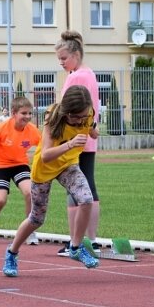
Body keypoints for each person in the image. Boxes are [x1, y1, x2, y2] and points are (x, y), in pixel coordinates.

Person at [2, 85, 100, 277]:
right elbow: (46, 155)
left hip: (68, 165)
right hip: (45, 169)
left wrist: (93, 131)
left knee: (87, 200)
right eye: (76, 117)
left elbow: (92, 128)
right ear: (66, 112)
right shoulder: (53, 117)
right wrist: (71, 144)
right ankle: (12, 252)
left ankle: (76, 247)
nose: (80, 120)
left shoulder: (87, 113)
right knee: (36, 218)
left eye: (83, 116)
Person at [56, 30, 102, 254]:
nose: (62, 63)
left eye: (64, 58)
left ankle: (77, 241)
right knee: (88, 187)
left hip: (74, 140)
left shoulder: (76, 77)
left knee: (75, 189)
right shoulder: (89, 73)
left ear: (75, 54)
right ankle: (90, 240)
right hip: (86, 139)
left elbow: (66, 108)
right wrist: (93, 127)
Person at [0, 96, 41, 245]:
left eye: (29, 113)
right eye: (23, 113)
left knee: (30, 192)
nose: (27, 117)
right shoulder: (0, 128)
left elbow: (44, 147)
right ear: (14, 113)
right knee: (1, 200)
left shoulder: (32, 130)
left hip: (19, 164)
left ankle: (29, 229)